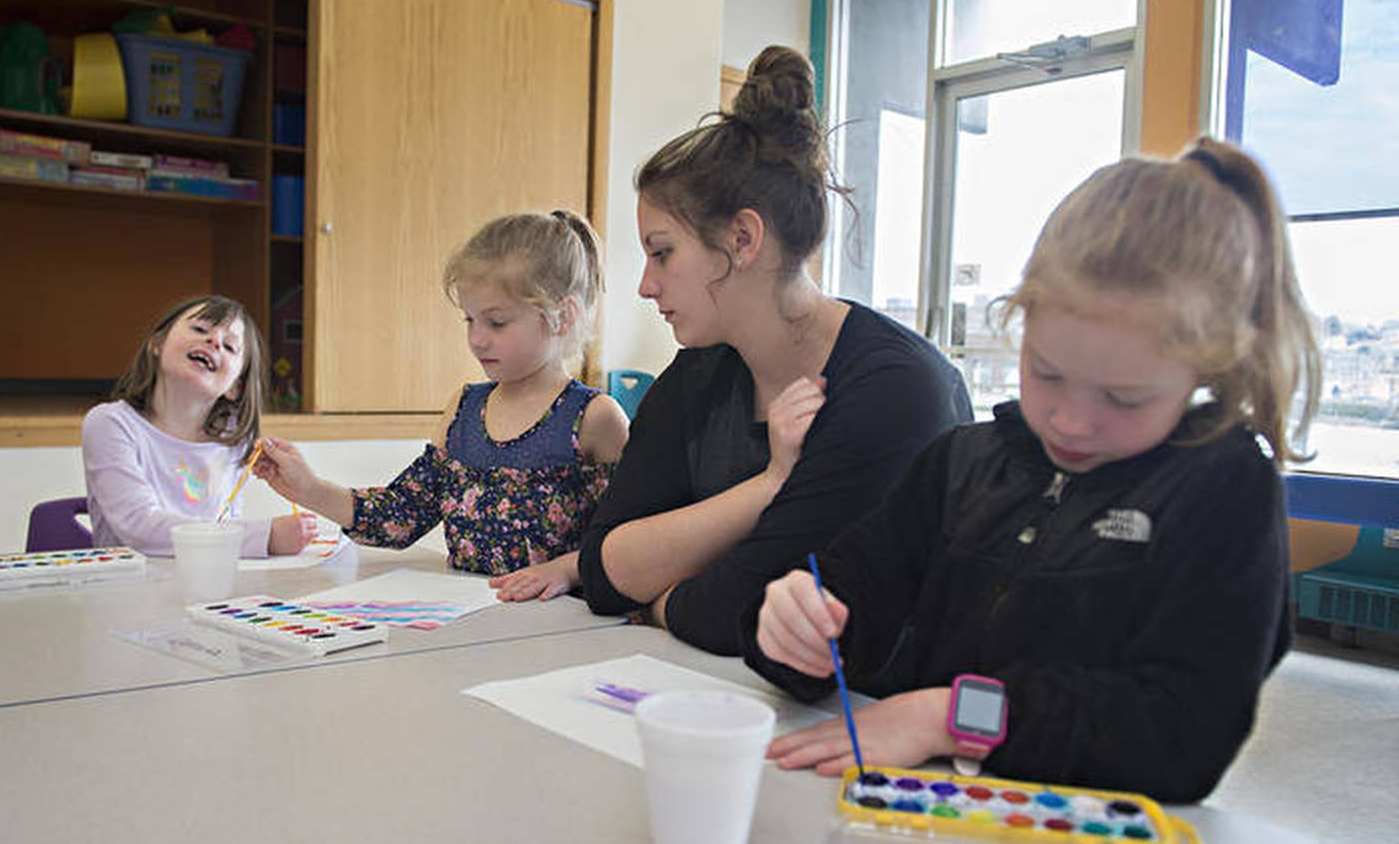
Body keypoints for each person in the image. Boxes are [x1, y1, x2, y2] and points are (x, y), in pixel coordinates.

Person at [747, 138, 1322, 803]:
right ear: (1020, 325)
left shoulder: (1224, 491)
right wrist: (792, 626)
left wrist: (953, 718)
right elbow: (847, 594)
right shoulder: (961, 462)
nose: (1072, 421)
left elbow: (1183, 736)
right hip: (923, 822)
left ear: (1207, 368)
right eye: (1046, 373)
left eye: (1124, 398)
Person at [578, 44, 972, 652]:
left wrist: (660, 600)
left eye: (662, 253)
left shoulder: (896, 391)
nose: (645, 284)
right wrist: (769, 485)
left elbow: (748, 611)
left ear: (742, 238)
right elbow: (604, 569)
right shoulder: (697, 376)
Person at [257, 211, 629, 601]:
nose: (477, 339)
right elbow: (402, 515)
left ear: (562, 317)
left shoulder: (595, 418)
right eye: (469, 320)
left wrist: (567, 570)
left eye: (497, 323)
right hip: (466, 621)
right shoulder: (465, 408)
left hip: (560, 629)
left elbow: (631, 540)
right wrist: (308, 488)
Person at [82, 295, 317, 557]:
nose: (214, 341)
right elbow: (138, 528)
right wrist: (266, 537)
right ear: (157, 344)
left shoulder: (234, 442)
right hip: (129, 591)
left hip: (207, 591)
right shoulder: (110, 424)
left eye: (229, 347)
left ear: (235, 386)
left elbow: (224, 524)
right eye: (200, 329)